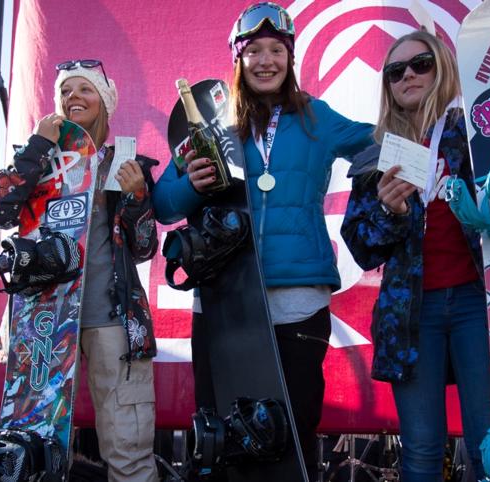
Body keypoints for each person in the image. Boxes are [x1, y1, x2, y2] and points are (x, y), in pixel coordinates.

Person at [152, 3, 373, 479]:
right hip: (226, 297)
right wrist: (191, 182)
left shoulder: (317, 116)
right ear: (238, 58)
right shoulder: (213, 123)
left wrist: (397, 164)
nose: (266, 60)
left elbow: (376, 142)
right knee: (223, 433)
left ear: (290, 58)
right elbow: (165, 204)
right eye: (254, 51)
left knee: (293, 431)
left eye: (277, 49)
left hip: (296, 295)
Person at [0, 60, 159, 482]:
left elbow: (144, 247)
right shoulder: (37, 162)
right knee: (29, 449)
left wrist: (136, 198)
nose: (74, 97)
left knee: (128, 449)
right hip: (42, 323)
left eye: (86, 90)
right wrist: (37, 148)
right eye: (66, 91)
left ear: (106, 102)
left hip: (111, 318)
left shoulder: (124, 162)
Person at [340, 31, 490, 482]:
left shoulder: (476, 131)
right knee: (422, 451)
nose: (407, 74)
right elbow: (362, 249)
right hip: (412, 315)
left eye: (420, 63)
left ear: (441, 67)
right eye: (395, 71)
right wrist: (389, 211)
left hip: (479, 305)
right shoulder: (376, 153)